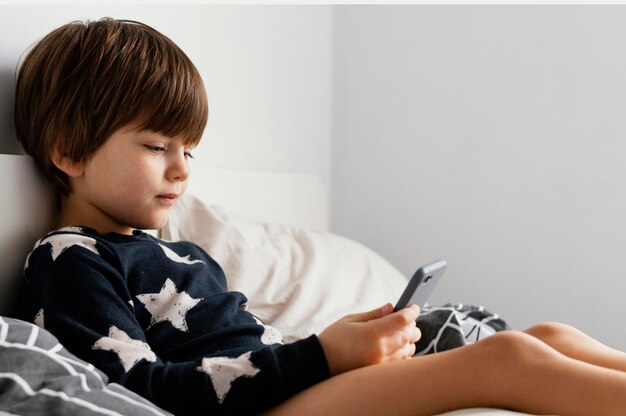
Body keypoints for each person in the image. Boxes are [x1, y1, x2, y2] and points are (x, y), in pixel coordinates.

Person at [13, 18, 626, 416]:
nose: (182, 170)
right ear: (69, 150)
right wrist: (323, 357)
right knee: (504, 359)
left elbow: (246, 349)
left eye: (189, 149)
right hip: (268, 406)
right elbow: (143, 391)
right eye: (156, 148)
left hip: (290, 382)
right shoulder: (69, 259)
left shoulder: (181, 252)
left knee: (545, 335)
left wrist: (337, 344)